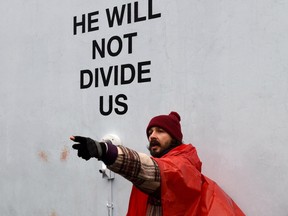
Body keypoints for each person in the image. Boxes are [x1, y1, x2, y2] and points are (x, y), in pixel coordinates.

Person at [70, 111, 245, 216]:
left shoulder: (183, 167)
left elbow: (154, 171)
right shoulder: (156, 167)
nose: (153, 135)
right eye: (150, 132)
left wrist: (106, 151)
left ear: (175, 139)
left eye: (161, 131)